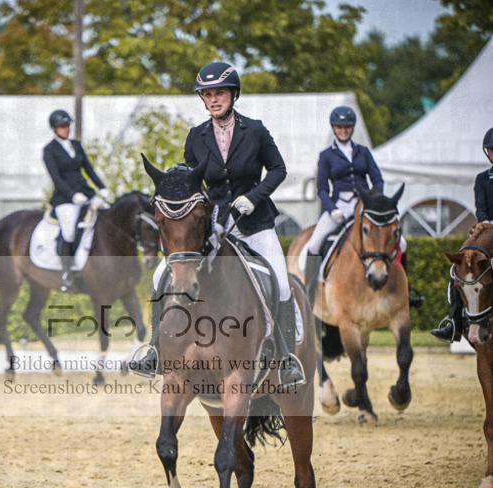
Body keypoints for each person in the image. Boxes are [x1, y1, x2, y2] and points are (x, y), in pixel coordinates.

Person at [131, 60, 305, 388]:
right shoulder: (196, 136)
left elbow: (279, 169)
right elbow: (192, 179)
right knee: (161, 274)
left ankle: (285, 360)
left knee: (281, 283)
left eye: (219, 93)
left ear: (233, 94)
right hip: (215, 224)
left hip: (255, 224)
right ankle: (154, 349)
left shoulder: (254, 131)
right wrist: (175, 178)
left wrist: (254, 196)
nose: (213, 99)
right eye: (207, 94)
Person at [303, 105, 424, 309]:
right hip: (338, 204)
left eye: (347, 127)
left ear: (352, 128)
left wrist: (373, 200)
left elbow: (377, 179)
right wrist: (332, 208)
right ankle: (308, 294)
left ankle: (405, 292)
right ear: (334, 128)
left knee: (401, 243)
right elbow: (322, 188)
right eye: (340, 127)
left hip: (365, 204)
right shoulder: (326, 155)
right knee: (314, 244)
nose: (344, 130)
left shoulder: (363, 152)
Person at [431, 126, 493, 342]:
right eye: (491, 150)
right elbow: (481, 208)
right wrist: (483, 225)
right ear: (487, 152)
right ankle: (455, 323)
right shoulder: (482, 178)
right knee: (457, 269)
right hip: (487, 231)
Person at [42, 109, 109, 290]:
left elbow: (88, 168)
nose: (66, 129)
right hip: (65, 198)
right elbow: (56, 178)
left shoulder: (76, 145)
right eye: (62, 126)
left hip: (85, 192)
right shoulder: (49, 150)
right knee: (69, 231)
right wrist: (72, 195)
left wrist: (101, 187)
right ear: (55, 129)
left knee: (108, 216)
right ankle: (66, 273)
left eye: (68, 125)